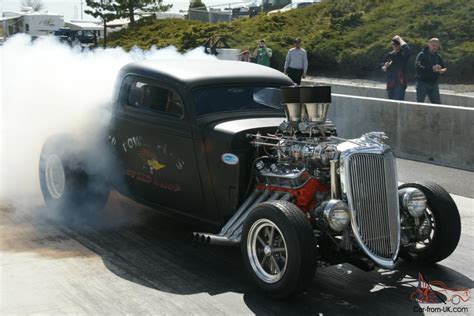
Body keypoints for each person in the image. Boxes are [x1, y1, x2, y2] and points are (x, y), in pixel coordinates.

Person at [415, 38, 447, 104]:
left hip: (433, 83)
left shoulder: (438, 57)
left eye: (436, 46)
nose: (434, 47)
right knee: (419, 104)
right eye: (433, 45)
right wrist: (431, 68)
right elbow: (418, 67)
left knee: (437, 104)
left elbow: (443, 68)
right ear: (429, 45)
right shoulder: (422, 55)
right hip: (422, 83)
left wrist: (442, 71)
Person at [381, 35, 411, 100]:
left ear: (400, 45)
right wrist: (384, 67)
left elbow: (407, 50)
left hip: (400, 83)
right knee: (391, 104)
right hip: (390, 83)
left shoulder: (403, 54)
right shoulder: (390, 55)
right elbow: (382, 66)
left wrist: (400, 39)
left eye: (397, 44)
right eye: (393, 44)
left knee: (399, 103)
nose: (395, 46)